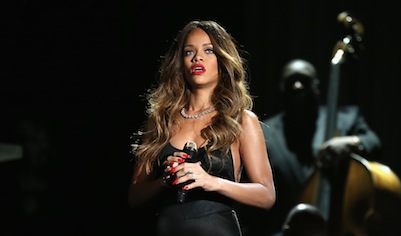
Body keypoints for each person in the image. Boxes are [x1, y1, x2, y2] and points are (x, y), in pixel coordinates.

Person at [127, 20, 276, 236]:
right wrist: (165, 181)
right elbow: (135, 196)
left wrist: (210, 181)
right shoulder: (160, 120)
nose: (197, 57)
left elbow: (266, 196)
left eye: (209, 50)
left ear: (222, 59)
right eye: (189, 52)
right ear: (181, 63)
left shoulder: (241, 120)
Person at [239, 58, 382, 236]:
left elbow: (374, 142)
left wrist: (351, 142)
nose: (298, 87)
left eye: (304, 81)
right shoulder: (264, 133)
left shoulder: (346, 119)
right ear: (281, 90)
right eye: (291, 82)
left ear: (316, 87)